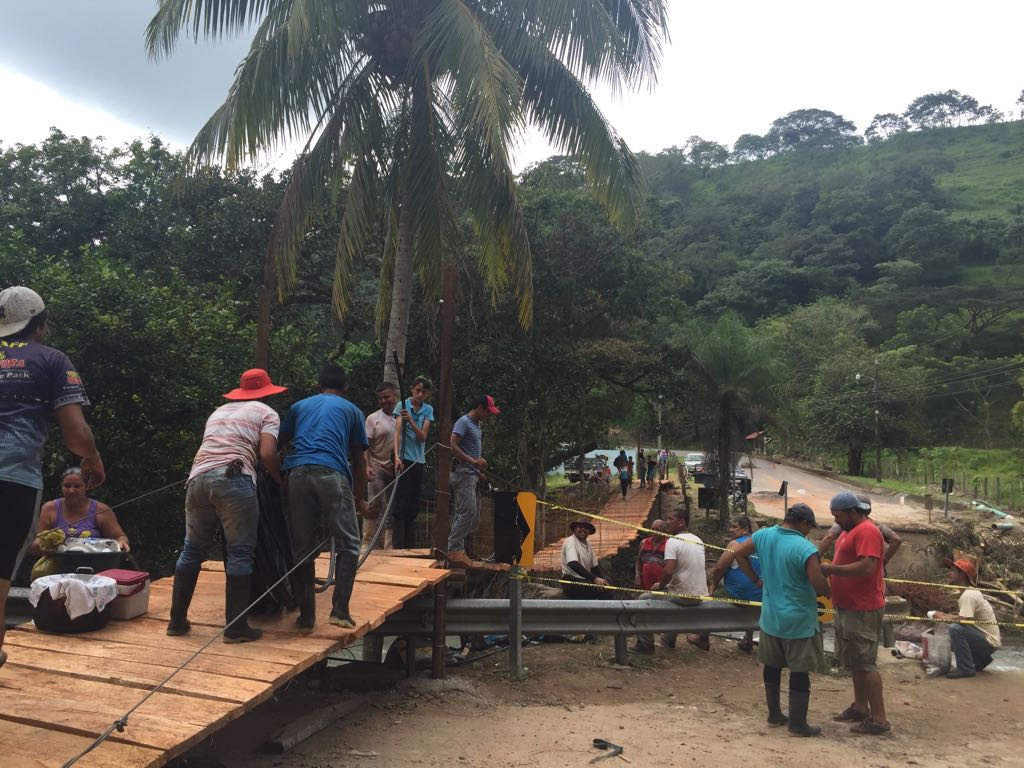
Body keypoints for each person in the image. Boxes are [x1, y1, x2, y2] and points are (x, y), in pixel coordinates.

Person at [0, 286, 105, 669]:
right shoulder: (52, 360)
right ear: (40, 326)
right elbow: (76, 434)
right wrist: (91, 457)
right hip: (12, 481)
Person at [167, 368, 285, 643]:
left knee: (191, 549)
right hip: (234, 479)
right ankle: (235, 628)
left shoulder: (218, 411)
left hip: (197, 478)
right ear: (266, 392)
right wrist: (279, 479)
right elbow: (267, 453)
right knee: (241, 552)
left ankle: (176, 621)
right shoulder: (267, 413)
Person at [280, 365, 369, 632]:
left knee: (302, 549)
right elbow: (358, 459)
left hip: (296, 474)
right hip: (331, 473)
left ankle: (306, 618)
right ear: (345, 389)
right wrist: (359, 497)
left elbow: (280, 440)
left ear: (319, 386)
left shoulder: (299, 407)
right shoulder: (353, 411)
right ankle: (340, 611)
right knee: (350, 544)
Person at [734, 504, 829, 737]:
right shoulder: (805, 548)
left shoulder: (763, 535)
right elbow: (818, 587)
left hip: (770, 617)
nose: (809, 533)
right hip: (798, 620)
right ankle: (798, 724)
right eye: (809, 528)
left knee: (772, 666)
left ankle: (774, 714)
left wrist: (756, 579)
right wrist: (829, 587)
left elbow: (738, 553)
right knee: (799, 671)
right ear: (804, 523)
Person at [819, 491, 890, 735]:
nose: (836, 521)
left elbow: (868, 566)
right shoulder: (850, 531)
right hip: (848, 605)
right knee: (855, 662)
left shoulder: (868, 531)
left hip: (863, 607)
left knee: (866, 663)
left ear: (852, 512)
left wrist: (831, 569)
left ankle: (879, 719)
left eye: (838, 517)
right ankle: (860, 707)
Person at [631, 507, 709, 654]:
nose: (667, 522)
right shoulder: (697, 539)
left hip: (681, 595)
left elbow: (668, 571)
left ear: (681, 522)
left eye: (670, 519)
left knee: (641, 600)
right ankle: (668, 639)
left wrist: (660, 585)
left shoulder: (673, 541)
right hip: (699, 594)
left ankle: (645, 645)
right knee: (670, 599)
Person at [447, 394, 499, 568]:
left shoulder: (477, 425)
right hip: (463, 473)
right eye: (487, 411)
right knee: (466, 513)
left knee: (473, 518)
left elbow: (470, 450)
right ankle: (454, 549)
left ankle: (457, 549)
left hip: (472, 474)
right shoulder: (463, 422)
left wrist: (478, 467)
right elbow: (452, 445)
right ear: (479, 407)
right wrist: (472, 461)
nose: (488, 415)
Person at [30, 467, 129, 554]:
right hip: (56, 567)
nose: (71, 491)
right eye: (67, 486)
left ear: (86, 487)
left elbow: (120, 537)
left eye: (77, 486)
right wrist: (47, 543)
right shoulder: (50, 508)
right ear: (61, 487)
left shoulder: (102, 510)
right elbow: (34, 546)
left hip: (94, 565)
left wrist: (121, 544)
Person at [931, 558, 1000, 678]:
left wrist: (942, 617)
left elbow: (962, 620)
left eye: (953, 571)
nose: (949, 573)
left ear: (962, 574)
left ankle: (966, 669)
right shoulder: (969, 592)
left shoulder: (968, 595)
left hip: (988, 641)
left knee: (955, 629)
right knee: (953, 632)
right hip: (987, 639)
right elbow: (964, 618)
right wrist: (944, 615)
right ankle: (980, 661)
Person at [708, 515, 761, 653]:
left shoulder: (735, 544)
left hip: (739, 596)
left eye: (734, 527)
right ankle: (748, 639)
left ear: (745, 529)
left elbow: (719, 568)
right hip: (760, 596)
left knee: (709, 597)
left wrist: (713, 586)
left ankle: (702, 636)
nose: (730, 530)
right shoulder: (760, 545)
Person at [392, 376, 433, 549]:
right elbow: (398, 433)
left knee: (414, 502)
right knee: (401, 501)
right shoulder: (402, 405)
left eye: (423, 392)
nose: (420, 394)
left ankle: (411, 546)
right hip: (404, 458)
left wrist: (411, 421)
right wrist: (396, 456)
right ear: (412, 389)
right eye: (417, 390)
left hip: (418, 459)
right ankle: (398, 546)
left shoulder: (428, 410)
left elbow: (422, 436)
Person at [817, 495, 901, 570]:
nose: (836, 519)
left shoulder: (847, 524)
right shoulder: (875, 525)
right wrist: (883, 561)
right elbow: (896, 540)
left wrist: (816, 559)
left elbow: (829, 537)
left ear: (853, 512)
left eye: (838, 516)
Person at [363, 382, 398, 553]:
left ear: (395, 396)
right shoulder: (373, 418)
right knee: (375, 502)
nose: (384, 401)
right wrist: (367, 466)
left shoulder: (401, 418)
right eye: (380, 398)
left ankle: (388, 546)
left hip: (395, 469)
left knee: (391, 506)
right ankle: (367, 542)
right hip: (377, 466)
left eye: (387, 397)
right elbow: (365, 446)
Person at [560, 520, 610, 598]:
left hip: (584, 580)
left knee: (606, 587)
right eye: (580, 527)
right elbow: (572, 563)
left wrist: (603, 581)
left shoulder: (588, 544)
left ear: (589, 532)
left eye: (586, 528)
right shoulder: (571, 541)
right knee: (599, 591)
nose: (583, 530)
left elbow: (594, 567)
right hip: (571, 582)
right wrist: (594, 579)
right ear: (575, 529)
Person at [634, 518, 668, 590]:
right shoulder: (644, 542)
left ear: (664, 531)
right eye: (653, 529)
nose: (654, 532)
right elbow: (638, 561)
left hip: (660, 584)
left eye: (657, 529)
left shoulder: (669, 544)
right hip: (645, 581)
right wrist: (637, 575)